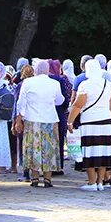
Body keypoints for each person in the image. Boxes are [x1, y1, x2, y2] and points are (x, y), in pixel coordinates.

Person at [67, 58, 111, 191]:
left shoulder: (85, 85)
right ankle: (100, 182)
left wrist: (70, 121)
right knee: (103, 151)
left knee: (90, 151)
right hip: (105, 120)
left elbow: (78, 105)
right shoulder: (108, 84)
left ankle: (91, 182)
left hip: (90, 121)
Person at [17, 59, 65, 188]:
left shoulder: (27, 82)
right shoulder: (54, 83)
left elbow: (21, 102)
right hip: (50, 118)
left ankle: (35, 178)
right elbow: (60, 100)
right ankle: (48, 179)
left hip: (32, 119)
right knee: (48, 148)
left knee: (34, 148)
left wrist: (19, 118)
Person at [48, 59, 72, 176]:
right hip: (59, 114)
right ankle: (58, 166)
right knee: (59, 141)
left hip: (47, 114)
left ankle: (47, 165)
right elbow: (64, 100)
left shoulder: (44, 80)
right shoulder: (60, 80)